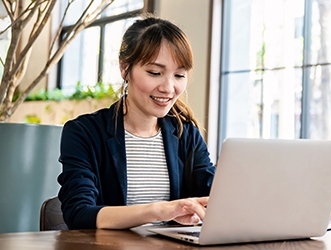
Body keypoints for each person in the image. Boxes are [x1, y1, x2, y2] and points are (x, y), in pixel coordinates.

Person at [57, 15, 215, 230]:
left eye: (179, 75)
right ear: (125, 69)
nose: (169, 88)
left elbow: (215, 194)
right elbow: (79, 212)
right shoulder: (84, 132)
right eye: (155, 73)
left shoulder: (185, 134)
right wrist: (160, 210)